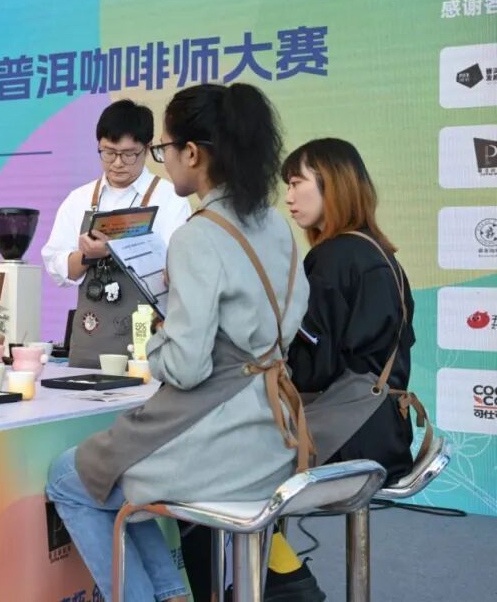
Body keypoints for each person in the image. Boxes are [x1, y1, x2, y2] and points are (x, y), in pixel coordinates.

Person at [46, 83, 310, 601]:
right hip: (275, 435)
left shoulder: (198, 234)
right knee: (108, 475)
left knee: (69, 478)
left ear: (192, 153)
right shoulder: (276, 225)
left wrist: (158, 342)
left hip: (218, 438)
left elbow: (186, 367)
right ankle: (172, 595)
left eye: (162, 149)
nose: (161, 161)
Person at [250, 138, 419, 601]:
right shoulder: (379, 254)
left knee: (224, 464)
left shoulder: (332, 258)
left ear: (333, 184)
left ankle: (285, 582)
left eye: (296, 183)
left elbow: (311, 371)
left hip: (350, 441)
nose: (288, 197)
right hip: (385, 433)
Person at [41, 100, 191, 366]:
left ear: (147, 149)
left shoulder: (169, 198)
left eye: (129, 154)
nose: (118, 163)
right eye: (108, 153)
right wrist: (88, 256)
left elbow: (178, 270)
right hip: (90, 340)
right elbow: (58, 269)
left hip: (148, 341)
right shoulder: (79, 199)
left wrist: (118, 250)